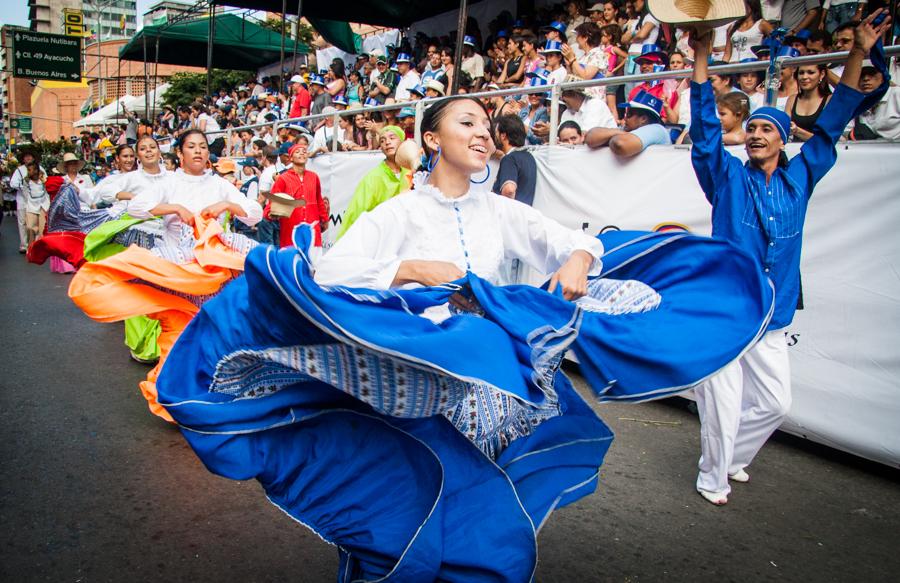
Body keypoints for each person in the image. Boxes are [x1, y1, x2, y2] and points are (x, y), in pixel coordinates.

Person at [155, 94, 774, 581]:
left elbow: (576, 242)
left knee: (480, 492)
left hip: (486, 387)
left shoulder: (500, 212)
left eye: (487, 125)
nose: (483, 132)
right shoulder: (399, 212)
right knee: (413, 485)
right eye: (467, 121)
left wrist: (580, 262)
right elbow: (334, 270)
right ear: (432, 139)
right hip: (416, 380)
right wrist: (410, 270)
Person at [687, 12, 891, 506]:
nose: (755, 134)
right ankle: (711, 476)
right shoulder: (727, 178)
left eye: (765, 129)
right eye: (751, 128)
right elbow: (706, 132)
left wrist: (857, 52)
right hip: (728, 309)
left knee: (776, 405)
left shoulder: (801, 177)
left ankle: (732, 458)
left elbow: (833, 123)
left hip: (774, 312)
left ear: (782, 139)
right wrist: (700, 55)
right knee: (725, 403)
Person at [128, 129, 262, 249]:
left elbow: (255, 214)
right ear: (180, 153)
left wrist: (227, 205)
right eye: (191, 147)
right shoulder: (169, 182)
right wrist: (176, 208)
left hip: (215, 258)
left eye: (203, 147)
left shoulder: (220, 184)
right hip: (177, 257)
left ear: (208, 154)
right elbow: (135, 207)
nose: (198, 151)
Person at [337, 126, 411, 239]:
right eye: (382, 140)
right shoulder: (373, 177)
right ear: (380, 147)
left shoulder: (412, 174)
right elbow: (355, 214)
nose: (387, 142)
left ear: (402, 142)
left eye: (392, 138)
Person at [263, 136, 329, 250]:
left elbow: (319, 200)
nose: (302, 154)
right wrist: (269, 213)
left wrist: (324, 219)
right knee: (292, 262)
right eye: (297, 152)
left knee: (313, 262)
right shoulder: (283, 179)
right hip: (290, 228)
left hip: (312, 228)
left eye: (304, 152)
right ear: (291, 158)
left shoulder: (314, 177)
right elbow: (273, 201)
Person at [585, 89, 672, 156]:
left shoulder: (656, 129)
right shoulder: (626, 129)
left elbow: (620, 144)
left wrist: (610, 137)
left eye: (629, 115)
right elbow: (590, 138)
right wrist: (618, 132)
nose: (625, 118)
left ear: (643, 119)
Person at [492, 114, 538, 205]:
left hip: (510, 216)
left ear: (503, 136)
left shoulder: (509, 159)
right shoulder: (529, 157)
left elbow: (509, 190)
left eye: (497, 133)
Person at [852, 59, 900, 140]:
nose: (866, 78)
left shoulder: (896, 94)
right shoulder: (857, 102)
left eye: (871, 73)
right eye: (861, 74)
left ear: (883, 76)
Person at [786, 64, 832, 141]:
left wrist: (797, 131)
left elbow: (826, 140)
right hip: (794, 149)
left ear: (822, 74)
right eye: (801, 73)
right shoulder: (792, 99)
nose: (804, 77)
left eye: (810, 72)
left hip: (820, 151)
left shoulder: (830, 100)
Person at [9, 151, 44, 252]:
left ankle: (36, 244)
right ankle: (24, 245)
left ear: (33, 158)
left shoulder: (40, 169)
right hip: (23, 201)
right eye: (26, 157)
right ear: (23, 159)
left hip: (37, 201)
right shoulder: (19, 170)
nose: (28, 158)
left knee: (35, 223)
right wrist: (24, 186)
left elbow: (45, 181)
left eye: (30, 156)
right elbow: (13, 183)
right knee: (23, 223)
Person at [21, 161, 49, 248]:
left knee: (42, 229)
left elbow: (48, 189)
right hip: (31, 206)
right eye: (28, 170)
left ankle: (40, 248)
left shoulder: (43, 179)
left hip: (43, 206)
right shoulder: (26, 181)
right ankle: (31, 246)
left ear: (36, 170)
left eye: (31, 170)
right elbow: (25, 193)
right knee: (30, 227)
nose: (29, 172)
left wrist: (43, 180)